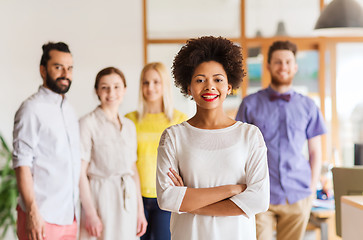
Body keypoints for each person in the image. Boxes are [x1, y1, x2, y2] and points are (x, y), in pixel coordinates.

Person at [156, 36, 270, 240]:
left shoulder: (250, 135)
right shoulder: (173, 136)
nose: (209, 87)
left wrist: (189, 202)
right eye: (200, 80)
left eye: (218, 79)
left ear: (229, 86)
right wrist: (233, 189)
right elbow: (166, 198)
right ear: (188, 88)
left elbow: (259, 200)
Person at [235, 40, 327, 240]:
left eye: (287, 62)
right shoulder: (250, 104)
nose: (283, 67)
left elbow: (315, 152)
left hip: (298, 194)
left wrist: (311, 190)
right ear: (268, 65)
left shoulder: (309, 106)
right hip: (260, 193)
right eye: (277, 62)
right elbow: (239, 150)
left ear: (295, 66)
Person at [12, 42, 80, 240]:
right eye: (58, 67)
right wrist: (32, 212)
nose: (65, 73)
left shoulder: (69, 110)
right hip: (41, 217)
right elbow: (21, 163)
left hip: (69, 217)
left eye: (69, 68)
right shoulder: (31, 109)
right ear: (43, 70)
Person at [78, 67, 147, 239]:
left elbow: (133, 169)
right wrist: (91, 214)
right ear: (97, 91)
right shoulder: (88, 123)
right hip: (100, 198)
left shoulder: (129, 126)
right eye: (105, 87)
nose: (111, 92)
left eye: (117, 86)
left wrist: (140, 211)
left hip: (127, 200)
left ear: (124, 89)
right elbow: (79, 172)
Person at [125, 62, 187, 240]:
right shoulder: (130, 120)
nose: (150, 87)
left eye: (155, 82)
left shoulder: (179, 120)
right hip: (136, 197)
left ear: (164, 85)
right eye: (145, 82)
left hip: (166, 197)